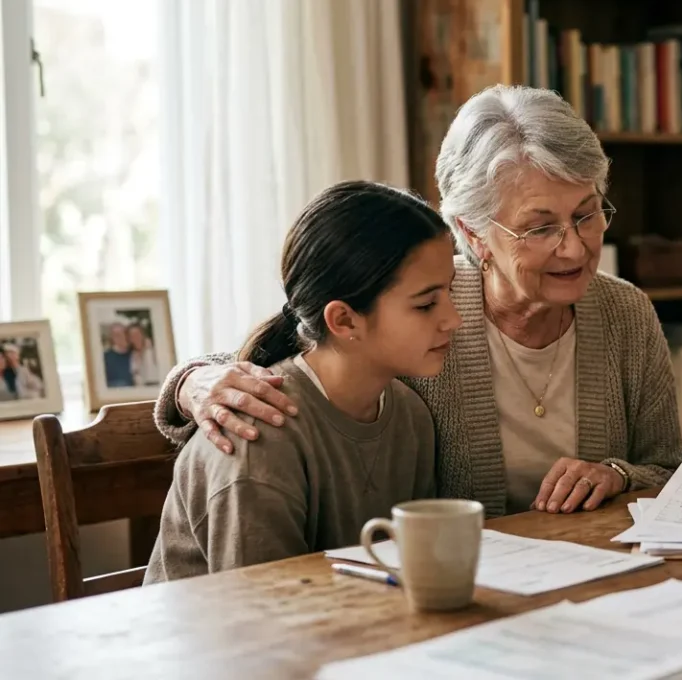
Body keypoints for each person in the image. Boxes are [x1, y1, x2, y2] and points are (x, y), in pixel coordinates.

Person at [149, 84, 682, 519]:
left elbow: (670, 473)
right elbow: (306, 345)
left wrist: (618, 474)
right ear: (472, 234)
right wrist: (190, 381)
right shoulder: (422, 306)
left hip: (593, 577)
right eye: (540, 227)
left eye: (587, 214)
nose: (575, 247)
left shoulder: (625, 313)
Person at [143, 180, 459, 583]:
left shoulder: (411, 417)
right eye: (427, 304)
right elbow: (265, 611)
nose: (454, 319)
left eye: (449, 292)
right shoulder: (257, 437)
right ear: (344, 320)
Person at [103, 324, 135, 388]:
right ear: (112, 338)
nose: (121, 337)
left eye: (124, 333)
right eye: (117, 335)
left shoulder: (134, 353)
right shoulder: (105, 358)